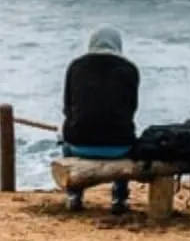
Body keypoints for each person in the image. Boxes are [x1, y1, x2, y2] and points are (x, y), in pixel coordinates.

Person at [60, 25, 141, 214]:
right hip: (120, 146)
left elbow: (67, 107)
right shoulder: (129, 69)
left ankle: (74, 194)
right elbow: (132, 109)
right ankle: (119, 197)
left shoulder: (76, 66)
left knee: (67, 135)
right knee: (125, 131)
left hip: (79, 143)